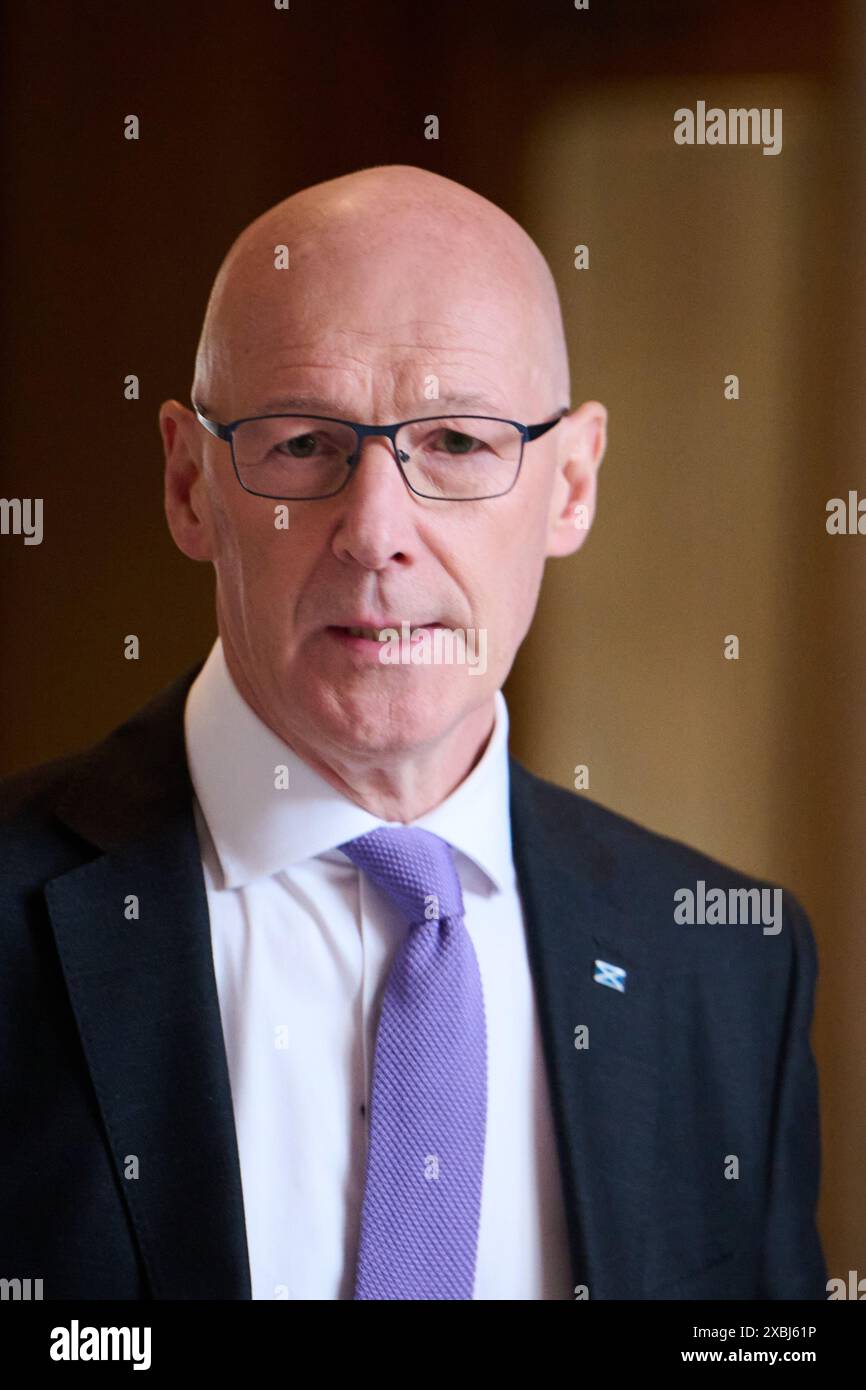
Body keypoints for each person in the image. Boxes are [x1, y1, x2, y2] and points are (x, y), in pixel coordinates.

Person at [0, 165, 826, 1300]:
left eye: (457, 443)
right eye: (301, 444)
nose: (375, 531)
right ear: (190, 484)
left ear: (571, 482)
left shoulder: (729, 963)